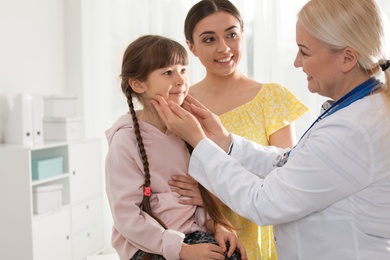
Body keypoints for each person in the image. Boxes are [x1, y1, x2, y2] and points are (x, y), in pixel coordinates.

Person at [151, 0, 390, 259]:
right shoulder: (352, 111)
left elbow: (264, 202)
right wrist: (226, 142)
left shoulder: (352, 130)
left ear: (347, 58)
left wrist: (201, 142)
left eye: (305, 52)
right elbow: (288, 163)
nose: (297, 62)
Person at [168, 0, 309, 259]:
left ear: (243, 34)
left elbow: (286, 179)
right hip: (204, 236)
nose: (224, 48)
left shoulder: (271, 98)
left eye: (231, 34)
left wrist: (213, 195)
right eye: (209, 39)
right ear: (191, 47)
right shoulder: (180, 105)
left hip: (262, 233)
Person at [105, 35, 246, 260]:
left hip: (189, 232)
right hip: (148, 243)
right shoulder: (125, 141)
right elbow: (126, 217)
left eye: (183, 70)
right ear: (138, 84)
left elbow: (193, 198)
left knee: (231, 254)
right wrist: (181, 250)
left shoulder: (185, 131)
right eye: (168, 72)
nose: (181, 80)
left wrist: (217, 226)